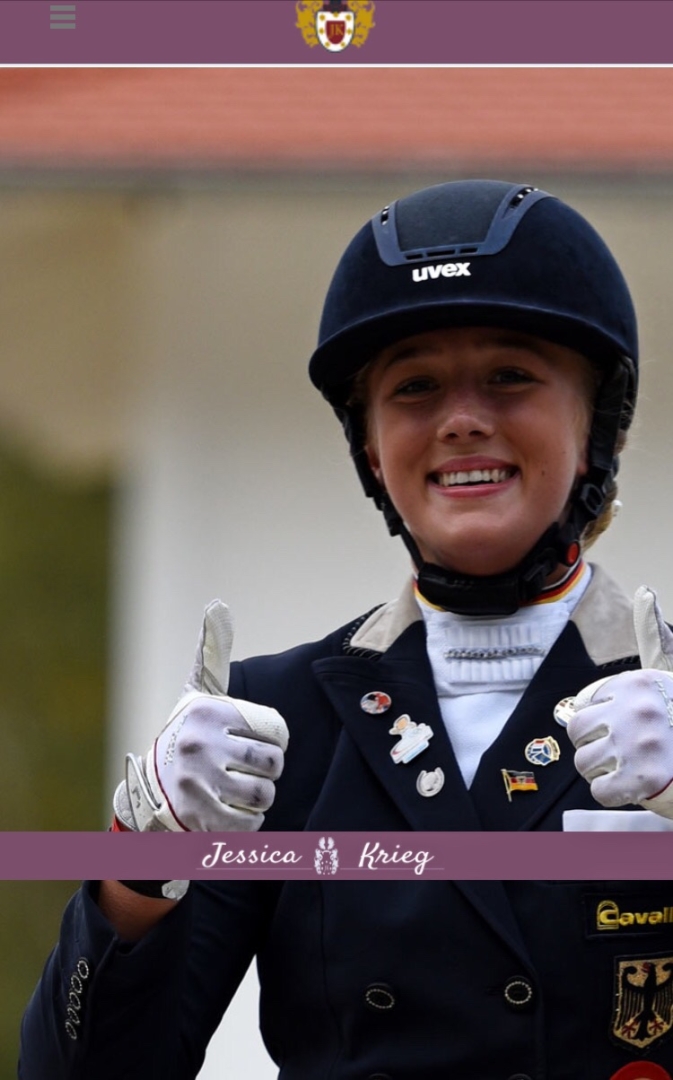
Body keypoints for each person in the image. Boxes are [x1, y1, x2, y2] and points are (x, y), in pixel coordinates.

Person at [19, 180, 673, 1080]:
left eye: (510, 376)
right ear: (369, 446)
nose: (461, 420)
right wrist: (141, 856)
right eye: (414, 387)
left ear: (599, 421)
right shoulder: (273, 721)